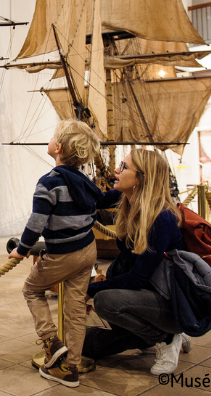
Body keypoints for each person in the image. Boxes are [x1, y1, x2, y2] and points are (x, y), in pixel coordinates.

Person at [8, 120, 102, 388]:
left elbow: (36, 222)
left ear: (57, 147)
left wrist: (22, 250)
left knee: (31, 290)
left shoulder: (49, 182)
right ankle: (70, 368)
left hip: (62, 255)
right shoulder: (84, 180)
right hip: (88, 251)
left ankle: (51, 342)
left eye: (52, 137)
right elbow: (101, 200)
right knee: (74, 309)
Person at [82, 150, 193, 375]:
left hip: (169, 300)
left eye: (123, 167)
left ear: (142, 177)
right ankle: (153, 335)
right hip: (146, 295)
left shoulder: (161, 218)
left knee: (105, 301)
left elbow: (138, 277)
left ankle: (166, 337)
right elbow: (95, 200)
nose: (116, 170)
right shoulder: (130, 204)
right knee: (89, 344)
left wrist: (88, 289)